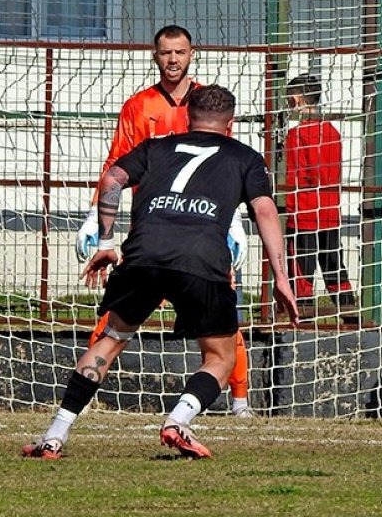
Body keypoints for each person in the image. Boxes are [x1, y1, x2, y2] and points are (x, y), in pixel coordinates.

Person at [24, 85, 298, 460]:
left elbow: (112, 179)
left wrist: (106, 242)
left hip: (143, 255)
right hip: (201, 261)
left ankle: (54, 436)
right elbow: (266, 212)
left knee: (110, 341)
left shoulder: (157, 147)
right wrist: (281, 277)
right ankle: (178, 420)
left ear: (188, 116)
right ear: (230, 122)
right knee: (220, 357)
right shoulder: (245, 157)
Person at [73, 24, 254, 417]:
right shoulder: (138, 106)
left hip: (206, 227)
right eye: (166, 53)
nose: (173, 59)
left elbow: (228, 162)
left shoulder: (209, 102)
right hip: (151, 228)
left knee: (224, 312)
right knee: (115, 314)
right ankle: (82, 396)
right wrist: (95, 216)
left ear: (192, 54)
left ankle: (240, 400)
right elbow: (116, 163)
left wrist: (235, 220)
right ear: (155, 56)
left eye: (180, 52)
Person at [284, 73, 357, 318]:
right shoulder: (332, 131)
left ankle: (301, 317)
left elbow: (298, 176)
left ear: (296, 100)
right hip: (329, 211)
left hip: (303, 211)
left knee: (301, 269)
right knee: (334, 265)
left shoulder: (297, 134)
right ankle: (349, 313)